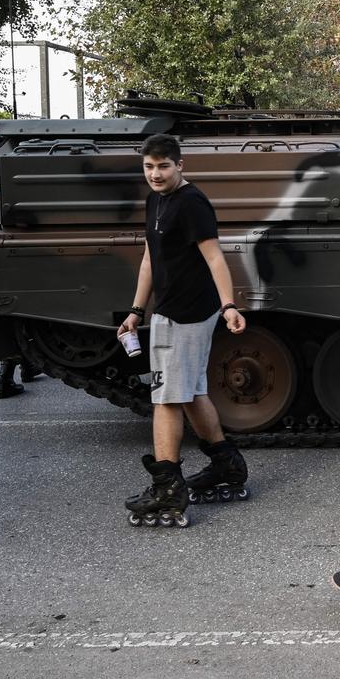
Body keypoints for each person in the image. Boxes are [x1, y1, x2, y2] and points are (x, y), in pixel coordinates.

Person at [116, 134, 249, 527]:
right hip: (168, 310)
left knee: (167, 399)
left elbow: (215, 258)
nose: (155, 174)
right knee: (190, 392)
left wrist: (228, 305)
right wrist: (137, 310)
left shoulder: (192, 203)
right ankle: (227, 465)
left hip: (188, 314)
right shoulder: (156, 199)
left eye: (163, 166)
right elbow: (150, 259)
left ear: (180, 166)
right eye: (149, 167)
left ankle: (167, 487)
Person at [0, 192, 43, 397]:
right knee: (18, 321)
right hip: (10, 266)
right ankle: (5, 379)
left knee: (15, 320)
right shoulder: (8, 194)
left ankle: (27, 367)